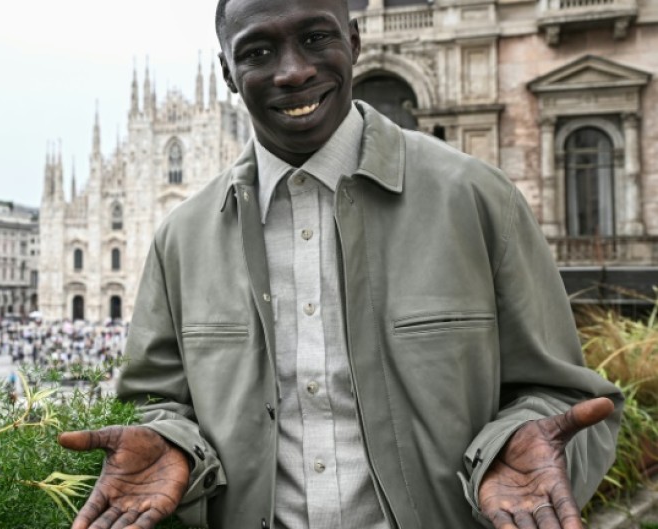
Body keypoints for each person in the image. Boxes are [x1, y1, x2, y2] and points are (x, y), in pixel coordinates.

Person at [59, 0, 622, 527]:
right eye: (257, 53)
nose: (293, 71)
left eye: (316, 38)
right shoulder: (181, 237)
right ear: (227, 74)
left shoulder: (475, 198)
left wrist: (521, 448)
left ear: (354, 41)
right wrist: (169, 444)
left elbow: (566, 399)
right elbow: (157, 404)